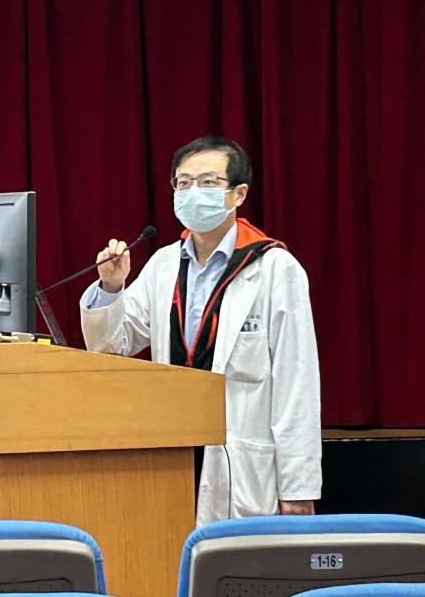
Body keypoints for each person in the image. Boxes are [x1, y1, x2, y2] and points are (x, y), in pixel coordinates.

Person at [79, 136, 321, 526]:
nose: (193, 193)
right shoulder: (164, 264)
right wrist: (111, 286)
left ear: (238, 194)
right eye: (184, 183)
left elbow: (298, 384)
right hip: (173, 451)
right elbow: (113, 345)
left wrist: (298, 487)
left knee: (238, 560)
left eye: (208, 183)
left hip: (243, 457)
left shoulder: (275, 268)